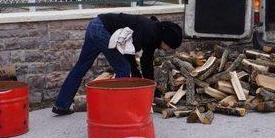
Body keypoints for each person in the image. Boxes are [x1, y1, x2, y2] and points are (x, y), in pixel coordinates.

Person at [52, 13, 183, 115]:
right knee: (123, 68)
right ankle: (117, 109)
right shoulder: (150, 33)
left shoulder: (153, 30)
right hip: (103, 31)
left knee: (81, 66)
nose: (168, 50)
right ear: (166, 39)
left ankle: (61, 105)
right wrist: (144, 82)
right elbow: (131, 56)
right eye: (170, 46)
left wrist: (149, 87)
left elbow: (145, 61)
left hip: (95, 25)